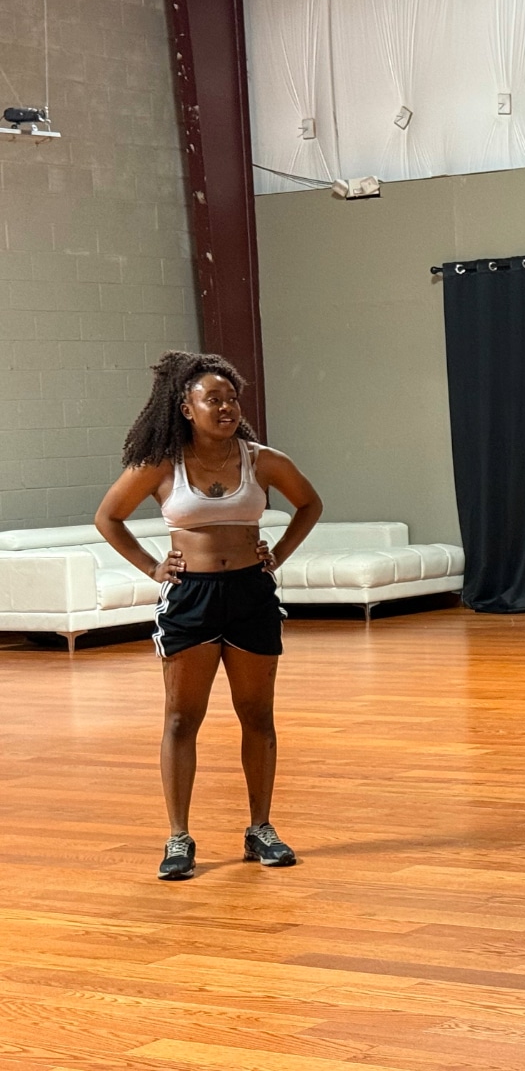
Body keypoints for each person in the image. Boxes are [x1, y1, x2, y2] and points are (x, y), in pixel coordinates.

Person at [96, 351, 322, 880]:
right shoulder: (161, 464)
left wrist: (276, 555)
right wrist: (153, 567)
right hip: (189, 599)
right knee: (181, 719)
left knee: (257, 716)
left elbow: (309, 504)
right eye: (212, 399)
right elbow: (108, 517)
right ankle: (179, 837)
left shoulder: (263, 461)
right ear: (186, 408)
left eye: (231, 398)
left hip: (250, 595)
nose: (226, 407)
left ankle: (260, 829)